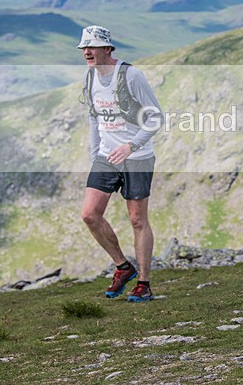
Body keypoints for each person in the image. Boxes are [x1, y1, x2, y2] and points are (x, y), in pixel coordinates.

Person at [77, 25, 164, 302]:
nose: (87, 52)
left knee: (137, 220)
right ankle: (123, 267)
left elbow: (156, 117)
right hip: (106, 156)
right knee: (89, 214)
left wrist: (131, 146)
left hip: (136, 156)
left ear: (107, 48)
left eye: (92, 47)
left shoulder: (131, 75)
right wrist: (95, 155)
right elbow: (94, 117)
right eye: (84, 48)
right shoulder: (89, 78)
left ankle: (144, 284)